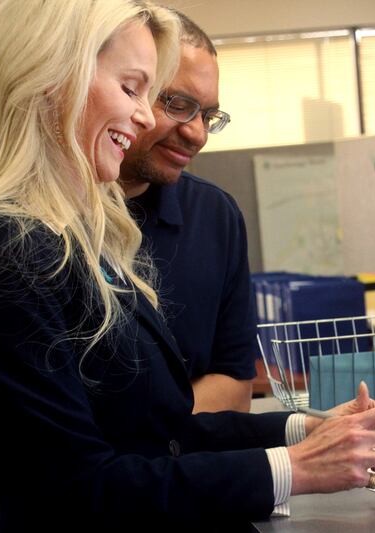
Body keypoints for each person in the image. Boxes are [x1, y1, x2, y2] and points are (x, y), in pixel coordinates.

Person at [0, 0, 375, 530]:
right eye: (136, 89)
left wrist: (305, 431)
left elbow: (152, 433)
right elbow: (75, 483)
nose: (145, 116)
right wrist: (292, 468)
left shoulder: (84, 230)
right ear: (52, 78)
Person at [119, 10, 254, 413]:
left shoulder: (215, 216)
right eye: (178, 104)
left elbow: (234, 384)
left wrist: (133, 444)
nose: (197, 133)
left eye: (208, 115)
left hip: (179, 472)